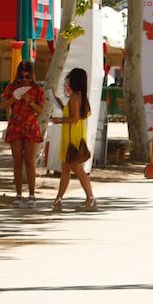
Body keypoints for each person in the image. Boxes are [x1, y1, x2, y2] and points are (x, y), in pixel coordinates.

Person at [0, 61, 46, 208]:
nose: (25, 77)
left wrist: (30, 101)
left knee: (30, 161)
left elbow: (41, 110)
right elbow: (2, 105)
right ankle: (18, 194)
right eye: (22, 74)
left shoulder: (37, 89)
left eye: (27, 74)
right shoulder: (11, 87)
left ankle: (32, 194)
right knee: (17, 161)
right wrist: (15, 97)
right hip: (16, 125)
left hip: (31, 126)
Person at [50, 68, 97, 211]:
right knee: (66, 169)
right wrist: (61, 105)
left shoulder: (75, 97)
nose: (67, 81)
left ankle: (91, 198)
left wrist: (59, 120)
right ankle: (58, 199)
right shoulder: (80, 97)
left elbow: (74, 118)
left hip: (72, 138)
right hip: (74, 136)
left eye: (69, 78)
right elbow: (77, 115)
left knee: (77, 170)